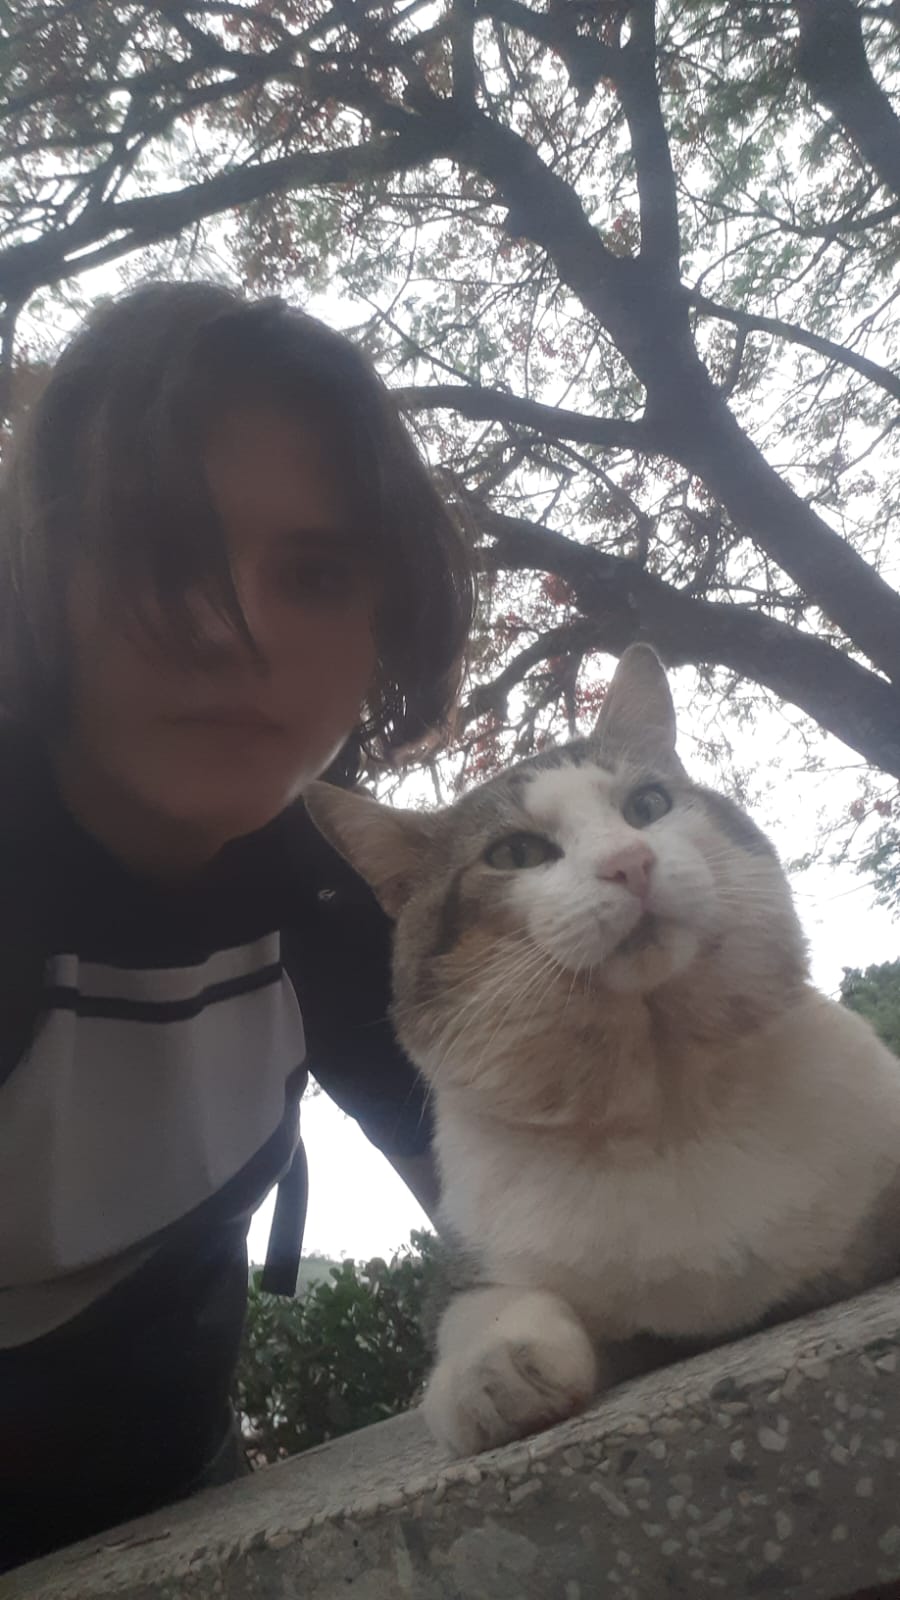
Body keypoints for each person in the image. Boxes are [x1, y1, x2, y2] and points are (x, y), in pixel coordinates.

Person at [0, 282, 474, 1569]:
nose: (233, 623)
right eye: (163, 554)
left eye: (314, 574)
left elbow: (520, 1207)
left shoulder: (343, 898)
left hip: (186, 1512)